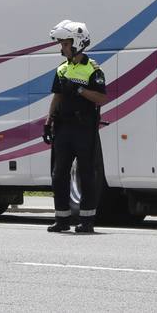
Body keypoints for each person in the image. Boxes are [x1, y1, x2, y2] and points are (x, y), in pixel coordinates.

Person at [42, 20, 108, 234]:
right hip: (63, 128)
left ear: (77, 43)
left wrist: (79, 90)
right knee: (58, 174)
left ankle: (87, 221)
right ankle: (62, 219)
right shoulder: (62, 69)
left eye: (65, 43)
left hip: (84, 128)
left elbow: (101, 98)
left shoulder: (93, 69)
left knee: (87, 174)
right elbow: (57, 97)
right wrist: (48, 121)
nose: (62, 48)